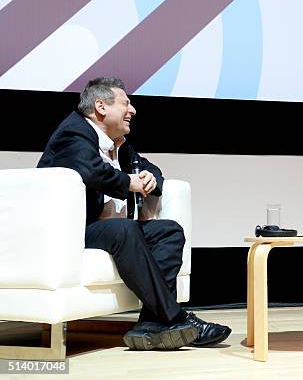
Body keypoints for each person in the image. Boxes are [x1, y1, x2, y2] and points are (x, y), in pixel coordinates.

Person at [37, 77, 231, 350]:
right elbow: (92, 171)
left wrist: (151, 179)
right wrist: (130, 182)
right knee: (124, 229)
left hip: (110, 231)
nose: (133, 110)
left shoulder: (119, 145)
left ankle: (150, 325)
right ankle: (178, 319)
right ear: (101, 107)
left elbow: (151, 169)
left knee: (170, 231)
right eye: (126, 103)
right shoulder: (74, 132)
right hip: (75, 231)